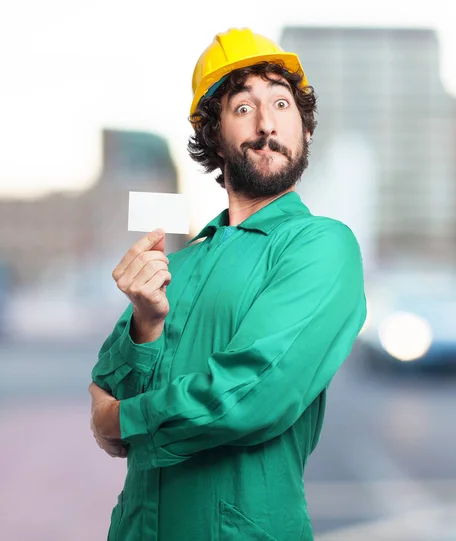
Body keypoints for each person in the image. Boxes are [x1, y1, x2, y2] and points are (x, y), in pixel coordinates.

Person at [88, 27, 367, 541]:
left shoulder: (321, 246)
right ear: (214, 135)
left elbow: (252, 393)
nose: (266, 124)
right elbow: (104, 387)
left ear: (304, 128)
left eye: (282, 105)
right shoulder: (179, 262)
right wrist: (146, 324)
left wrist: (122, 420)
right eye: (243, 108)